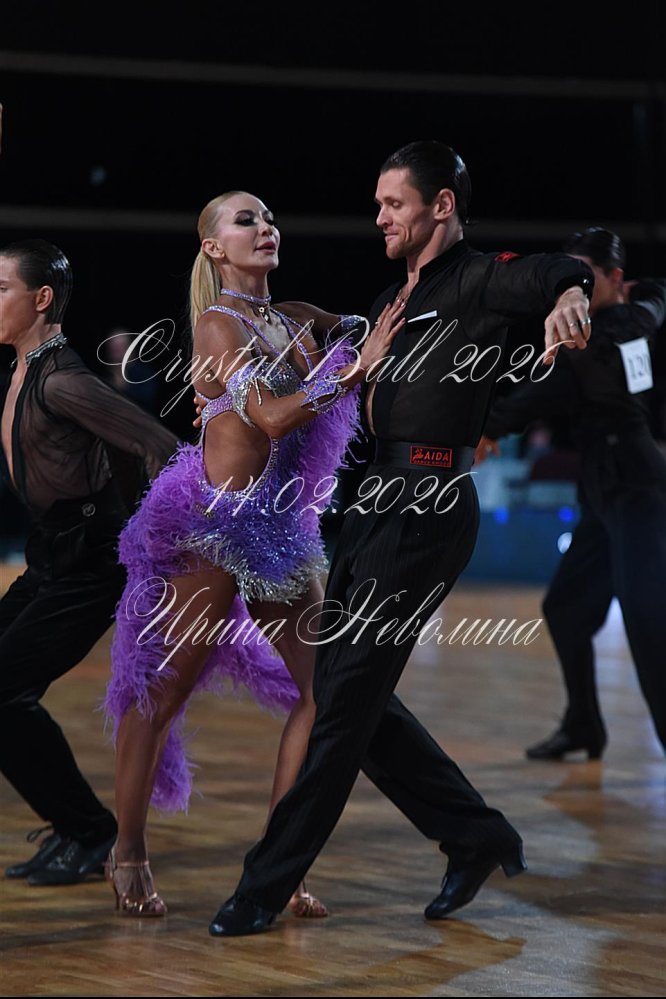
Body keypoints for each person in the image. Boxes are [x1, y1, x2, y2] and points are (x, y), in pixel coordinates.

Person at [206, 141, 594, 937]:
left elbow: (551, 270)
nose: (380, 216)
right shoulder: (391, 297)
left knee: (343, 704)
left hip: (429, 504)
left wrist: (569, 294)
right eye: (379, 204)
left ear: (440, 205)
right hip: (376, 501)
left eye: (394, 203)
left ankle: (263, 884)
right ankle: (476, 835)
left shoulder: (479, 279)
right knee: (347, 693)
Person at [103, 190, 396, 917]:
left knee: (324, 694)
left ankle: (279, 863)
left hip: (282, 533)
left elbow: (356, 325)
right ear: (213, 247)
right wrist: (354, 366)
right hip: (212, 525)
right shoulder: (216, 325)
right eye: (246, 220)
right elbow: (268, 418)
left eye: (268, 217)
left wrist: (353, 332)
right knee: (163, 691)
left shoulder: (291, 318)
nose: (265, 227)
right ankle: (127, 848)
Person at [0, 239, 178, 886]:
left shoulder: (63, 380)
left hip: (88, 564)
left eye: (1, 288)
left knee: (4, 695)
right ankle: (76, 827)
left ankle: (91, 831)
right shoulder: (24, 370)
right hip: (51, 555)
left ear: (41, 298)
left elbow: (160, 444)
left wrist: (145, 540)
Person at [477, 227, 666, 759]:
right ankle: (583, 724)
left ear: (614, 278)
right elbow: (655, 296)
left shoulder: (598, 339)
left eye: (587, 277)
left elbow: (545, 391)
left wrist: (488, 428)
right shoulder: (634, 312)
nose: (576, 287)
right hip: (603, 491)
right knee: (566, 608)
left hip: (636, 489)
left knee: (647, 620)